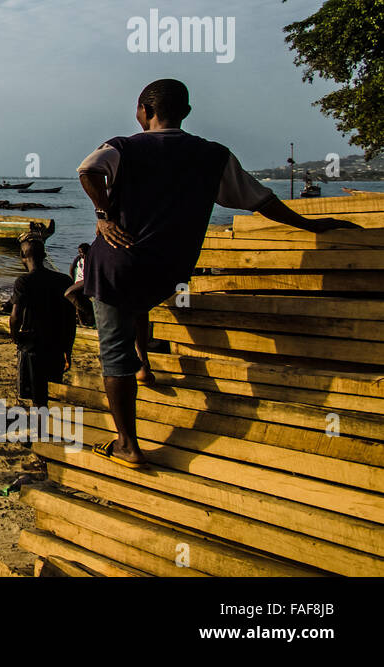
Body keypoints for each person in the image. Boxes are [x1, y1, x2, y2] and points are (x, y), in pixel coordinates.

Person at [79, 78, 359, 468]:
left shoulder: (124, 145)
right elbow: (262, 200)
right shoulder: (213, 155)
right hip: (169, 269)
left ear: (143, 110)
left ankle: (128, 443)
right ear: (187, 113)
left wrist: (104, 214)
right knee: (140, 301)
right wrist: (313, 226)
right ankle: (144, 363)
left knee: (113, 353)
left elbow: (89, 171)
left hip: (116, 262)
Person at [9, 237, 76, 410]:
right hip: (56, 344)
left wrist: (15, 336)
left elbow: (15, 317)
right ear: (44, 255)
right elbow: (70, 319)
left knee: (37, 396)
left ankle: (41, 429)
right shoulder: (64, 281)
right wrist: (68, 349)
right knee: (53, 390)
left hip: (33, 346)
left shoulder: (23, 282)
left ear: (22, 256)